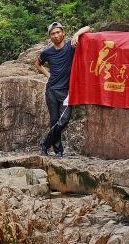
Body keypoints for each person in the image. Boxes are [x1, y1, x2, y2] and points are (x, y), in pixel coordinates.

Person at [35, 21, 91, 157]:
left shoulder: (70, 46)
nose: (56, 35)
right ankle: (58, 151)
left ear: (63, 33)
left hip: (67, 91)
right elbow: (37, 64)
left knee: (63, 120)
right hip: (52, 91)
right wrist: (48, 75)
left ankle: (45, 143)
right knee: (54, 121)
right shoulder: (47, 52)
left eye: (58, 32)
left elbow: (88, 28)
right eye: (53, 33)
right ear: (50, 37)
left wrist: (77, 34)